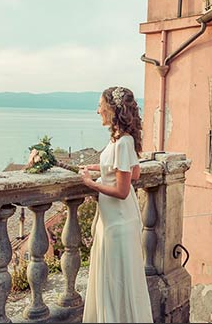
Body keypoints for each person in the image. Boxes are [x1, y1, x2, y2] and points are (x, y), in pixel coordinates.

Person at [78, 86, 153, 323]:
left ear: (111, 108)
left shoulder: (122, 143)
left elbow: (122, 190)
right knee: (122, 280)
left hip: (117, 222)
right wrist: (99, 169)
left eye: (100, 105)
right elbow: (135, 174)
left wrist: (91, 184)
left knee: (115, 281)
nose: (97, 110)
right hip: (118, 219)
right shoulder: (122, 140)